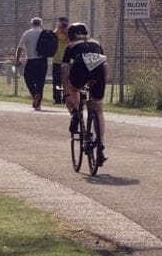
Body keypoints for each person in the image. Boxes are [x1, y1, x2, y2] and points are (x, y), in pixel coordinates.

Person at [62, 22, 109, 167]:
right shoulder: (97, 43)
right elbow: (105, 64)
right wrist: (102, 82)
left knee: (74, 88)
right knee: (98, 109)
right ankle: (100, 145)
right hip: (99, 72)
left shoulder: (71, 46)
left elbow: (65, 70)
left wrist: (66, 93)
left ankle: (76, 111)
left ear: (71, 35)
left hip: (80, 70)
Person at [15, 17, 51, 110]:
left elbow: (20, 47)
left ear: (32, 24)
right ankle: (38, 104)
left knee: (27, 77)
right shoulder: (44, 33)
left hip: (31, 60)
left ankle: (35, 93)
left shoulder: (27, 33)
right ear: (40, 24)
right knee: (40, 81)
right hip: (43, 60)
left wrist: (17, 59)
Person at [50, 17, 69, 104]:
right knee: (56, 80)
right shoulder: (56, 31)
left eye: (64, 23)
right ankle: (57, 98)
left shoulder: (69, 32)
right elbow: (51, 39)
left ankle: (66, 98)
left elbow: (70, 42)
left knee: (67, 80)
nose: (63, 25)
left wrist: (66, 32)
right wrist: (58, 29)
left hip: (66, 60)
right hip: (56, 59)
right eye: (61, 23)